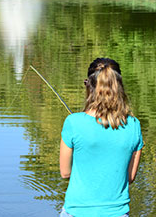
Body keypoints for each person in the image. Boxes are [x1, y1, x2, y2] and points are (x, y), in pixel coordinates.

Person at [59, 58, 143, 217]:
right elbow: (130, 177)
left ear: (89, 87)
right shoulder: (134, 125)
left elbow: (65, 172)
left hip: (77, 212)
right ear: (119, 88)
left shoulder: (73, 122)